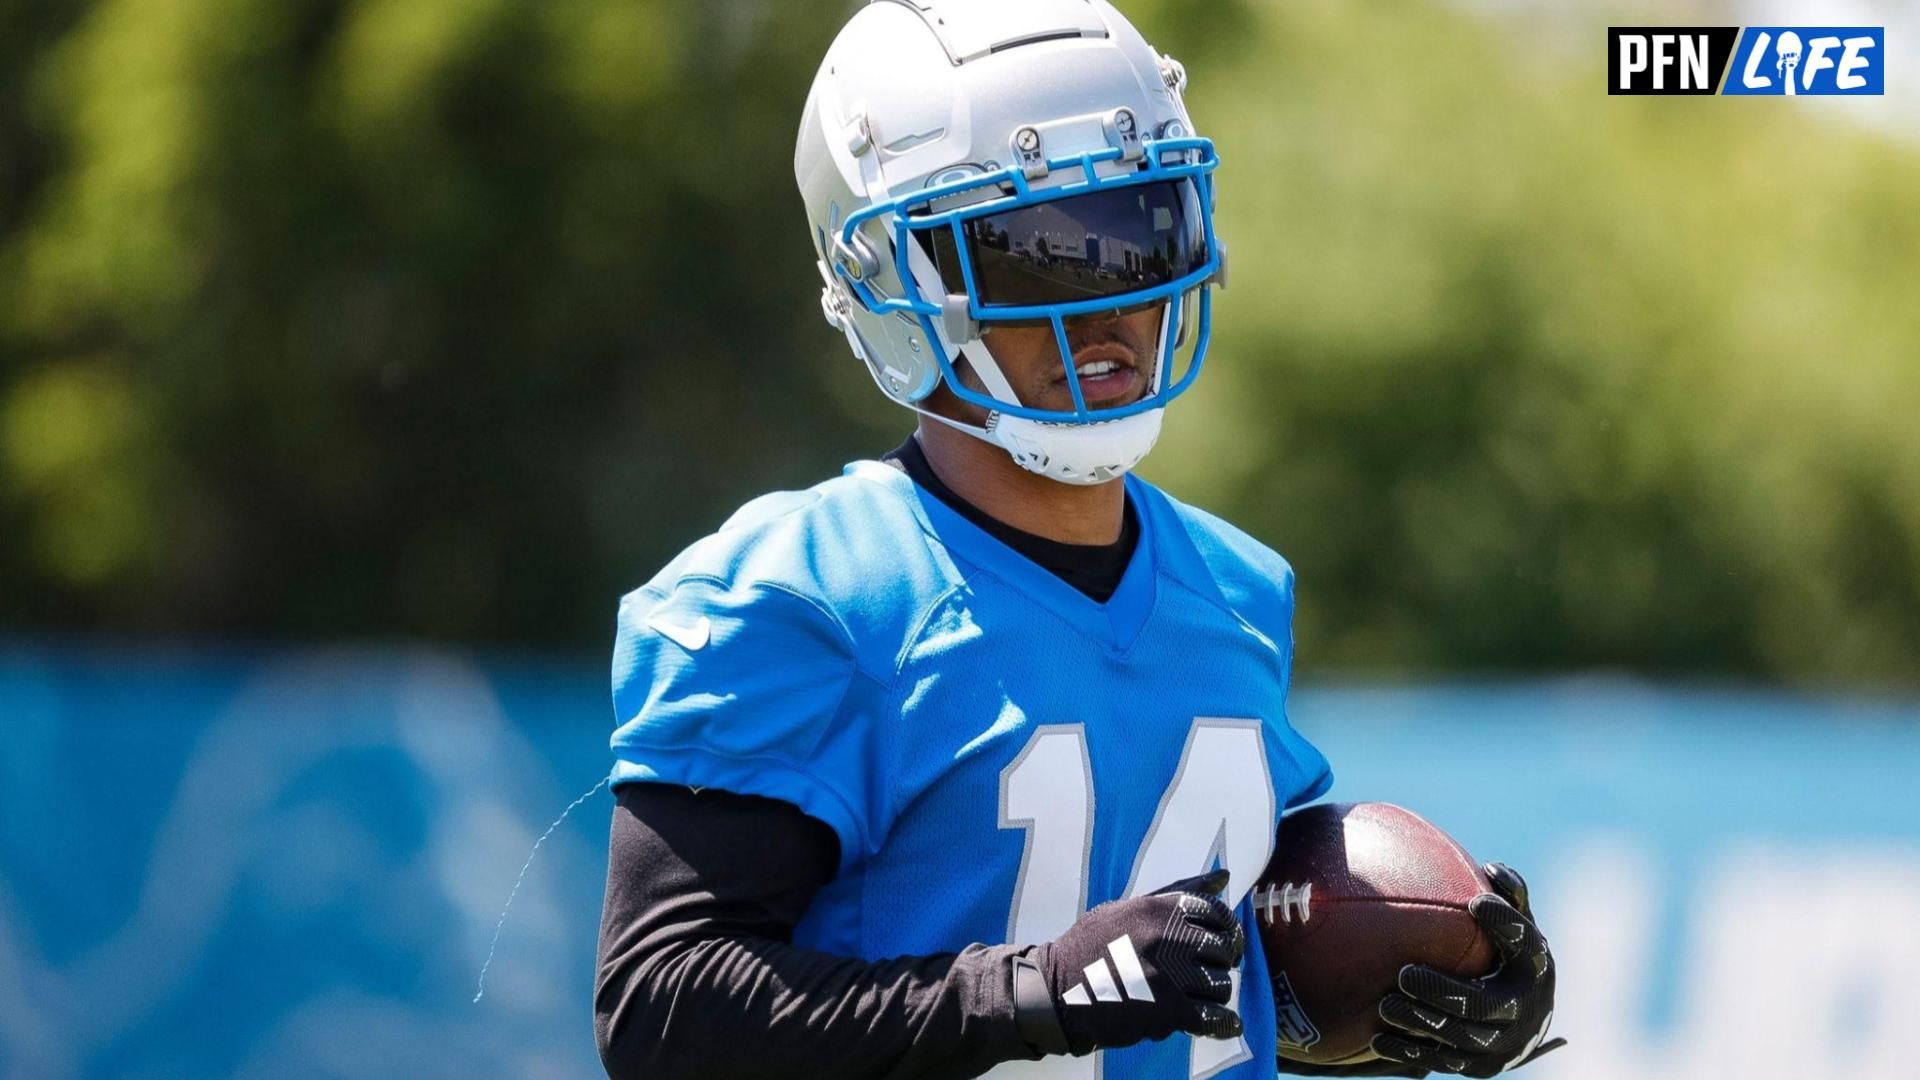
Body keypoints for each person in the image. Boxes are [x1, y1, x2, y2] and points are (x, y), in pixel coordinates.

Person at [594, 3, 1561, 1078]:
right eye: (1035, 252)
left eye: (1138, 229)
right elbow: (660, 1014)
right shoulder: (806, 598)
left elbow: (1196, 982)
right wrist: (1031, 992)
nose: (1109, 302)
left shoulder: (1238, 588)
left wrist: (1408, 1003)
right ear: (894, 285)